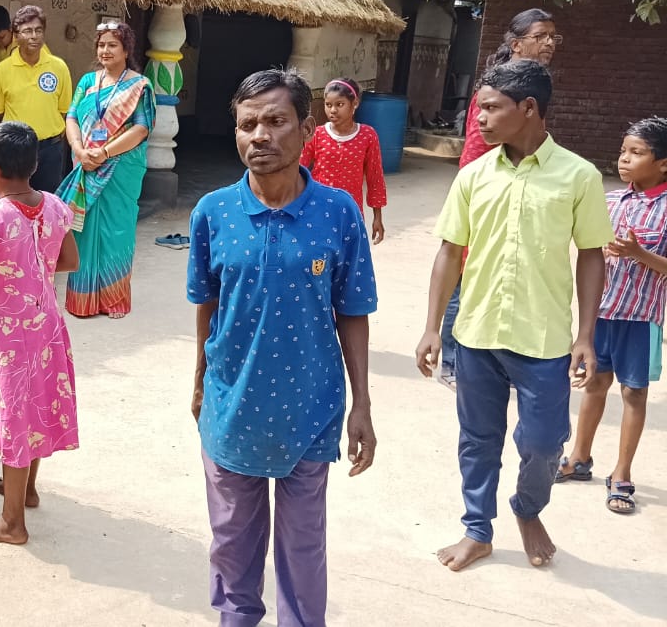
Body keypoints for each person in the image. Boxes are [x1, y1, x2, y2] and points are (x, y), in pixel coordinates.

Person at [188, 70, 378, 626]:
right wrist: (199, 382)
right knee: (232, 542)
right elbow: (207, 306)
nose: (260, 136)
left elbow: (353, 312)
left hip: (310, 406)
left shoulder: (338, 212)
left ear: (306, 129)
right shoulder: (213, 212)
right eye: (247, 124)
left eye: (275, 121)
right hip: (232, 406)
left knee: (302, 545)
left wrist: (362, 403)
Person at [415, 60, 611, 571]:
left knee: (544, 443)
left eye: (490, 107)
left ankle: (527, 507)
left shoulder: (578, 175)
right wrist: (433, 327)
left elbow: (592, 254)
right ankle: (477, 529)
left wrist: (585, 335)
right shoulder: (474, 175)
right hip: (476, 334)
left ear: (528, 108)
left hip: (543, 340)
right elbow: (449, 251)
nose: (478, 117)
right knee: (478, 440)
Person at [0, 121, 80, 545]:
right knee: (36, 406)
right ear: (35, 164)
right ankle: (26, 491)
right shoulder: (56, 206)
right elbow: (70, 261)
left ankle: (12, 523)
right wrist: (32, 269)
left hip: (8, 335)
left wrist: (2, 275)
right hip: (46, 326)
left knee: (14, 416)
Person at [440, 8, 561, 388]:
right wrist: (482, 195)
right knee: (467, 274)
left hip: (521, 189)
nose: (549, 43)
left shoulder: (535, 84)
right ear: (516, 43)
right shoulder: (498, 87)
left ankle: (498, 362)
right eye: (540, 36)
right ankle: (452, 360)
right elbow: (476, 148)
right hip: (490, 192)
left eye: (552, 36)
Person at [555, 117, 667, 515]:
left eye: (637, 153)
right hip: (601, 313)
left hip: (641, 319)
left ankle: (622, 472)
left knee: (634, 393)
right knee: (595, 384)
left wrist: (639, 254)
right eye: (623, 151)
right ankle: (579, 457)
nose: (624, 159)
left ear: (663, 163)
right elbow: (589, 252)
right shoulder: (610, 202)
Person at [58, 21, 154, 319]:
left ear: (126, 50)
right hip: (85, 163)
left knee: (117, 229)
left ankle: (115, 298)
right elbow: (71, 116)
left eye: (112, 45)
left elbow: (142, 128)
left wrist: (105, 152)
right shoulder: (88, 81)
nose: (105, 50)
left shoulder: (139, 85)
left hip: (120, 167)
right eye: (101, 45)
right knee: (83, 229)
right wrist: (79, 149)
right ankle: (82, 300)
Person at [0, 5, 73, 192]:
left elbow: (64, 110)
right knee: (15, 199)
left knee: (48, 200)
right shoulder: (1, 71)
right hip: (15, 149)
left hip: (50, 150)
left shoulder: (59, 68)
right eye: (27, 31)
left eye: (38, 30)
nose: (34, 36)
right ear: (16, 36)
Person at [298, 77, 387, 244]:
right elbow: (297, 169)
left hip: (351, 210)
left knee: (349, 254)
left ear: (355, 104)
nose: (333, 110)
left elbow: (375, 177)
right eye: (328, 104)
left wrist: (377, 217)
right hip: (317, 208)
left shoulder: (368, 136)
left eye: (340, 104)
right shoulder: (317, 135)